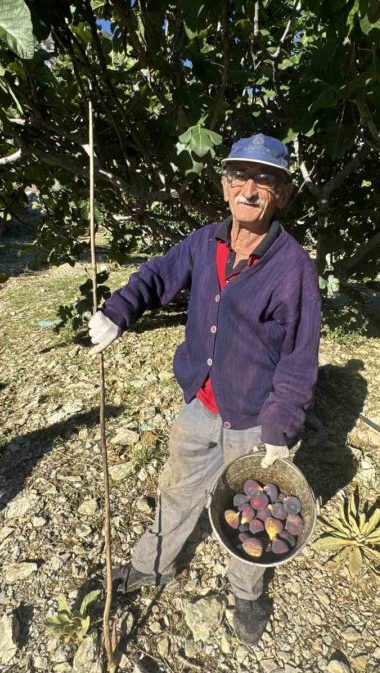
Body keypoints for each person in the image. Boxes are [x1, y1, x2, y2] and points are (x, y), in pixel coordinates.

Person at [87, 134, 321, 643]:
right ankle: (151, 566)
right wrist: (117, 311)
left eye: (266, 180)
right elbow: (156, 277)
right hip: (201, 404)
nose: (250, 189)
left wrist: (281, 426)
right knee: (177, 490)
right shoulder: (204, 243)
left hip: (258, 422)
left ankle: (248, 596)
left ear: (281, 194)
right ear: (224, 186)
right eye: (240, 177)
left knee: (251, 523)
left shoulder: (293, 268)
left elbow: (300, 359)